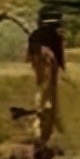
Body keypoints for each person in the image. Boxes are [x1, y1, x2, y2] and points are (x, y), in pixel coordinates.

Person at [26, 9, 66, 143]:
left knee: (45, 90)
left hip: (40, 57)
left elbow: (30, 56)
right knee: (46, 93)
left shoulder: (36, 36)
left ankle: (48, 123)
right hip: (45, 60)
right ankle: (43, 122)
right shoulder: (55, 38)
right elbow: (58, 61)